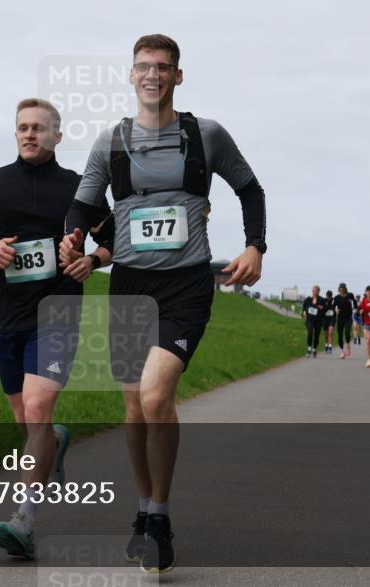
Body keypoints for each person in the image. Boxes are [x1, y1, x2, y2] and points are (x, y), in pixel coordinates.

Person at [61, 34, 266, 573]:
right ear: (131, 76)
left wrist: (254, 246)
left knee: (155, 398)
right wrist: (73, 238)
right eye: (143, 67)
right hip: (129, 284)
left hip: (186, 286)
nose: (152, 74)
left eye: (163, 67)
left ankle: (161, 514)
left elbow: (251, 189)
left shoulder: (207, 135)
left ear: (179, 76)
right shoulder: (110, 142)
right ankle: (144, 509)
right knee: (133, 409)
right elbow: (83, 204)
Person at [0, 98, 114, 559]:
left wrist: (90, 261)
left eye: (39, 127)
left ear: (57, 136)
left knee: (37, 408)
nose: (29, 134)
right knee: (28, 421)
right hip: (6, 317)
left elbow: (113, 238)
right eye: (22, 127)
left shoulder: (80, 189)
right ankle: (55, 440)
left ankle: (24, 520)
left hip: (58, 313)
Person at [333, 283, 359, 358]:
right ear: (339, 289)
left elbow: (355, 303)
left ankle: (348, 344)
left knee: (347, 333)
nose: (342, 289)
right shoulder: (337, 298)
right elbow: (333, 307)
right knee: (340, 335)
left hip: (348, 318)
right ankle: (342, 351)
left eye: (343, 288)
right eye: (341, 288)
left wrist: (355, 309)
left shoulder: (350, 295)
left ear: (345, 289)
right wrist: (336, 311)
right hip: (340, 318)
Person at [302, 285, 325, 359]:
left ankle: (314, 349)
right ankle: (309, 349)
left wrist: (321, 308)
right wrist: (304, 312)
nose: (314, 292)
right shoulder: (308, 299)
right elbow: (304, 308)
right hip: (310, 320)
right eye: (313, 290)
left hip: (318, 320)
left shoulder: (322, 300)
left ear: (319, 291)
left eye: (316, 291)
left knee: (316, 335)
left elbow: (325, 309)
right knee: (310, 332)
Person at [322, 289, 335, 354]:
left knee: (330, 332)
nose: (328, 297)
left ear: (331, 296)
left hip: (332, 318)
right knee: (326, 334)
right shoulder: (323, 301)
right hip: (325, 319)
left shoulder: (334, 301)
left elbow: (337, 307)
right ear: (326, 296)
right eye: (328, 296)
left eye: (330, 296)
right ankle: (326, 345)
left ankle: (330, 347)